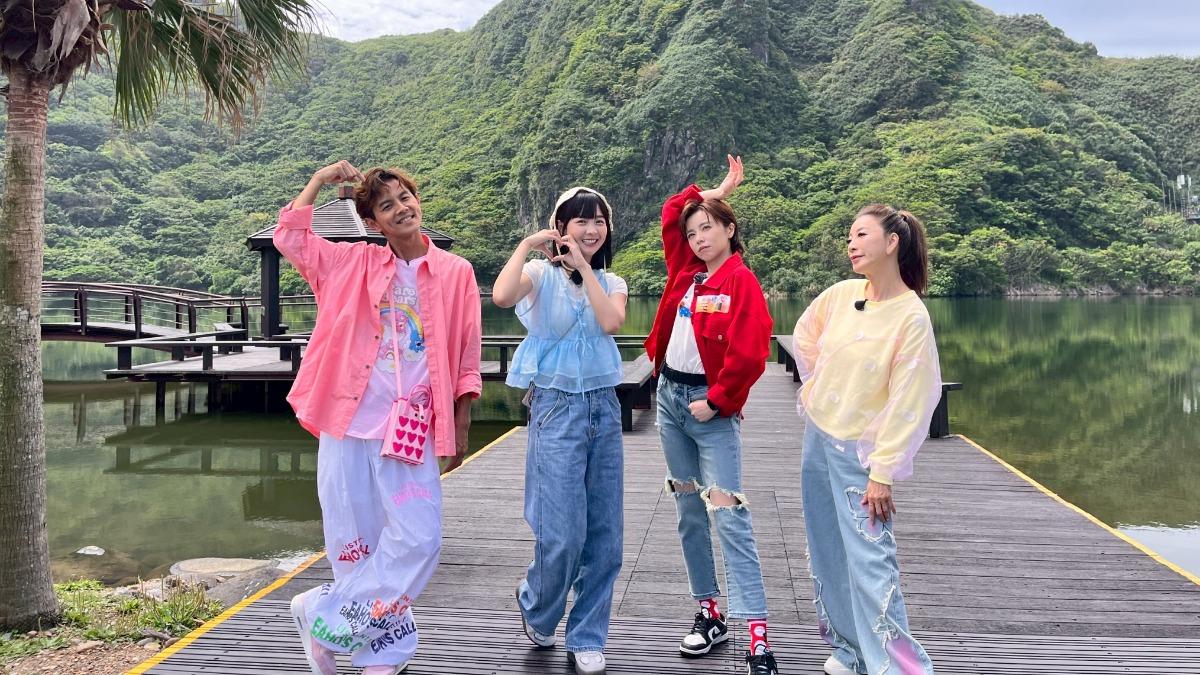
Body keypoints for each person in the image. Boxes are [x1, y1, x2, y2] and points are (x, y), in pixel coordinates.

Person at [276, 160, 482, 675]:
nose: (401, 208)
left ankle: (321, 616)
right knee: (355, 541)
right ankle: (382, 650)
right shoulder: (352, 262)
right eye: (387, 206)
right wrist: (318, 183)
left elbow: (467, 356)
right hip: (348, 422)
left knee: (419, 538)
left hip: (410, 428)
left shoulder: (456, 272)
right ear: (372, 222)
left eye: (405, 197)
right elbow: (292, 240)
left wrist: (460, 424)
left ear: (417, 200)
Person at [643, 156, 780, 675]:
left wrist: (719, 400)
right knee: (688, 509)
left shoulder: (740, 282)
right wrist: (713, 192)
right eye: (693, 232)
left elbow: (751, 352)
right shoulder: (687, 273)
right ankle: (710, 612)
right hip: (670, 402)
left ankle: (757, 635)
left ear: (730, 230)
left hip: (710, 410)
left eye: (708, 228)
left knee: (728, 512)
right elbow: (671, 211)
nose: (699, 238)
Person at [792, 204, 941, 675]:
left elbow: (911, 398)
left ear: (892, 242)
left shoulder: (910, 316)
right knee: (827, 550)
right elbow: (804, 335)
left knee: (872, 560)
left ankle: (898, 668)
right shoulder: (842, 294)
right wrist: (821, 388)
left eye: (861, 235)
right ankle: (851, 650)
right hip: (819, 440)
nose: (851, 244)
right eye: (849, 237)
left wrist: (883, 470)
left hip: (861, 453)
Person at [491, 186, 629, 675]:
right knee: (563, 532)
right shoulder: (539, 274)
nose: (591, 230)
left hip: (604, 408)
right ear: (561, 227)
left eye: (599, 221)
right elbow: (502, 296)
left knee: (605, 535)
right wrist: (528, 245)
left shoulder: (612, 281)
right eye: (580, 221)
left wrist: (586, 268)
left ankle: (587, 635)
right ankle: (537, 603)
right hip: (555, 408)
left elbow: (611, 322)